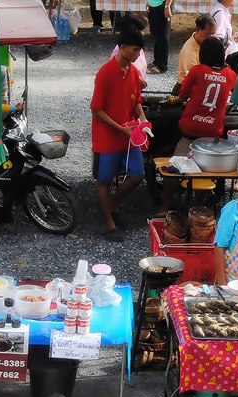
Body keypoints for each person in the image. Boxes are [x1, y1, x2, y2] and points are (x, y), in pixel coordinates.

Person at [159, 37, 237, 213]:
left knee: (173, 168)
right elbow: (235, 92)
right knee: (204, 170)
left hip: (191, 130)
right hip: (213, 134)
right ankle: (198, 207)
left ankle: (164, 208)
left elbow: (182, 95)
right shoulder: (230, 74)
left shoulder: (197, 70)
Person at [90, 23, 148, 242]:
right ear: (123, 47)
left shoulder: (133, 72)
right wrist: (120, 127)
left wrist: (142, 120)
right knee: (104, 178)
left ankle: (111, 204)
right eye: (135, 50)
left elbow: (136, 103)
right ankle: (109, 224)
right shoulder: (105, 72)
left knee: (138, 173)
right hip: (108, 135)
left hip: (129, 134)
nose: (137, 54)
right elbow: (96, 109)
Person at [174, 14, 216, 92]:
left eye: (212, 34)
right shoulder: (189, 51)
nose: (211, 37)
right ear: (198, 30)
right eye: (208, 34)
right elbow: (191, 80)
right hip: (186, 89)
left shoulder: (206, 43)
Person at [110, 14, 148, 88]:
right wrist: (136, 79)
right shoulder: (120, 50)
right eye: (142, 31)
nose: (143, 34)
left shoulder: (137, 46)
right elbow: (117, 71)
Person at [146, 0, 173, 75]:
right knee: (156, 35)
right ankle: (157, 61)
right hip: (153, 4)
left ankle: (162, 66)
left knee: (163, 36)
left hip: (163, 5)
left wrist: (167, 6)